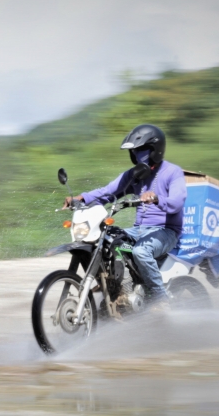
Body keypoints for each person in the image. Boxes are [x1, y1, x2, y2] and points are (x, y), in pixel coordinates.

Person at [62, 124, 186, 305]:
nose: (137, 155)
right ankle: (117, 287)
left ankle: (161, 299)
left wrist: (157, 198)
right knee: (105, 239)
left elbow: (177, 202)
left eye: (141, 150)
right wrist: (82, 198)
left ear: (155, 149)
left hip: (166, 231)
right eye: (135, 151)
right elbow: (108, 192)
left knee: (140, 251)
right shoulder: (135, 174)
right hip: (139, 230)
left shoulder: (172, 172)